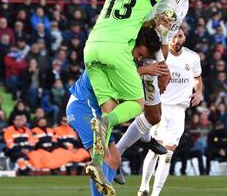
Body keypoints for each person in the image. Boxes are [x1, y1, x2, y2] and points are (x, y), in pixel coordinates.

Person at [85, 0, 227, 192]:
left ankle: (107, 159)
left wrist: (163, 64)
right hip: (133, 53)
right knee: (139, 107)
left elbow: (164, 36)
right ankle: (123, 151)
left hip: (96, 47)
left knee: (142, 114)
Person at [67, 27, 167, 196]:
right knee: (102, 159)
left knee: (114, 160)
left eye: (143, 57)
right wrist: (144, 71)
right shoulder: (117, 54)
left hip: (100, 112)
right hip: (84, 106)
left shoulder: (126, 56)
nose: (139, 58)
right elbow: (116, 77)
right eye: (140, 53)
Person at [136, 27, 204, 196]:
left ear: (184, 37)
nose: (176, 40)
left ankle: (155, 194)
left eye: (179, 36)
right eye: (173, 37)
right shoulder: (160, 56)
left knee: (167, 154)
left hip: (179, 110)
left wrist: (199, 91)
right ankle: (143, 187)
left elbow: (197, 78)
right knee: (155, 149)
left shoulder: (193, 57)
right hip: (161, 107)